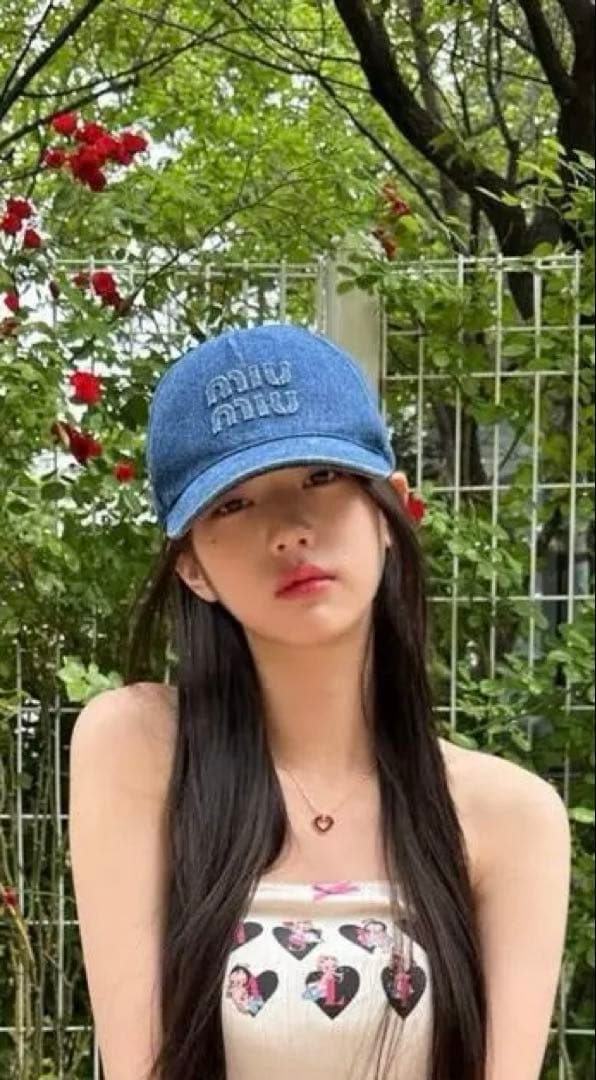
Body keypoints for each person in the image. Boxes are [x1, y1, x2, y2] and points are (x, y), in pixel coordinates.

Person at [69, 323, 571, 1080]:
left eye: (321, 476)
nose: (288, 531)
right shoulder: (138, 749)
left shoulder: (512, 817)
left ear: (391, 509)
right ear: (192, 567)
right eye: (233, 504)